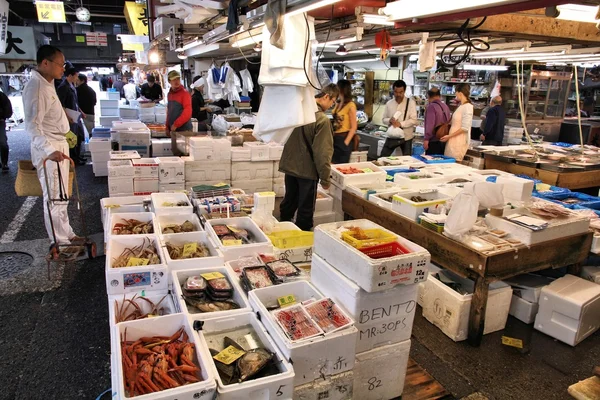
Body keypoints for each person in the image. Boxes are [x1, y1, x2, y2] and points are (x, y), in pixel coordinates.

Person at [22, 45, 79, 245]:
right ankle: (60, 241)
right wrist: (49, 150)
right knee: (54, 196)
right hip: (51, 149)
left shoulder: (47, 84)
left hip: (59, 145)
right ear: (45, 63)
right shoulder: (36, 87)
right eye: (60, 64)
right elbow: (32, 126)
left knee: (62, 195)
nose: (63, 68)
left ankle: (68, 234)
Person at [279, 84, 338, 231]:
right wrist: (325, 179)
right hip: (307, 172)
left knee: (289, 203)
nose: (332, 105)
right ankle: (301, 242)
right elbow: (322, 153)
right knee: (305, 211)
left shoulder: (298, 111)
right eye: (333, 101)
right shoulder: (321, 120)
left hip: (290, 167)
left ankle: (281, 232)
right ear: (326, 97)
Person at [57, 67, 86, 165]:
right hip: (70, 117)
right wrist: (67, 117)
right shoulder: (63, 87)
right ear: (70, 75)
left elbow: (76, 102)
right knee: (71, 138)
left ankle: (77, 156)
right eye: (76, 76)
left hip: (75, 114)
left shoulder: (72, 86)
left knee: (79, 136)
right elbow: (61, 104)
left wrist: (81, 111)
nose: (77, 78)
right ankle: (74, 160)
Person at [381, 80, 418, 156]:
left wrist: (400, 124)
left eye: (400, 92)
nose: (398, 94)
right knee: (382, 157)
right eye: (395, 92)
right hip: (392, 136)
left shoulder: (411, 103)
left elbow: (414, 120)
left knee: (407, 159)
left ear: (404, 91)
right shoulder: (389, 103)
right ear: (393, 91)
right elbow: (383, 119)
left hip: (406, 137)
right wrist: (389, 120)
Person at [441, 83, 474, 161]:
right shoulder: (461, 106)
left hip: (458, 142)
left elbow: (464, 128)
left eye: (455, 91)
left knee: (455, 164)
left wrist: (449, 136)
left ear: (460, 93)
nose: (455, 94)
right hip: (452, 141)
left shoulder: (468, 107)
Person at [331, 79, 358, 164]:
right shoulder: (338, 103)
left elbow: (354, 127)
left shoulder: (351, 105)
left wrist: (346, 142)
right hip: (334, 138)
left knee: (340, 166)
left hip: (343, 138)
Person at [167, 70, 192, 155]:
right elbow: (169, 111)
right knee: (176, 153)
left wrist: (176, 124)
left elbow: (188, 112)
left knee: (184, 155)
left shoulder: (185, 93)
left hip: (184, 130)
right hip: (174, 130)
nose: (176, 81)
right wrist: (167, 126)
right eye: (174, 79)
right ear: (169, 81)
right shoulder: (169, 94)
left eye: (178, 79)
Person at [423, 87, 451, 155]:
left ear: (429, 97)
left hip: (433, 140)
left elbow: (430, 124)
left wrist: (426, 139)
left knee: (431, 162)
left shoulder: (431, 107)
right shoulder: (445, 106)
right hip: (444, 139)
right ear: (439, 96)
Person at [0, 89, 12, 172]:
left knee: (3, 143)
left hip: (0, 121)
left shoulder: (1, 96)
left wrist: (3, 117)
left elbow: (8, 109)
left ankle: (4, 162)